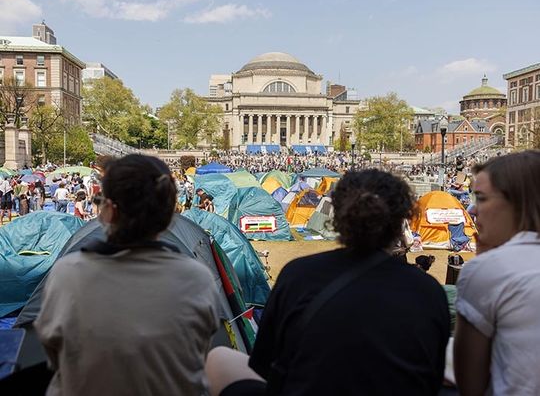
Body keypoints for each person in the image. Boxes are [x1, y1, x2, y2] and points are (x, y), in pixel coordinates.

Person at [206, 169, 450, 396]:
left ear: (337, 217)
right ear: (401, 221)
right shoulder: (428, 291)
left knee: (218, 358)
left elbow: (264, 362)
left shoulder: (298, 275)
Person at [34, 154, 220, 396]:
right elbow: (199, 350)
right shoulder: (197, 278)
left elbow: (53, 351)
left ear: (108, 210)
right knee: (225, 359)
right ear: (167, 217)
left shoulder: (67, 274)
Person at [454, 150, 540, 396]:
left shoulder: (488, 270)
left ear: (517, 201)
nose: (471, 210)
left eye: (481, 198)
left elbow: (471, 385)